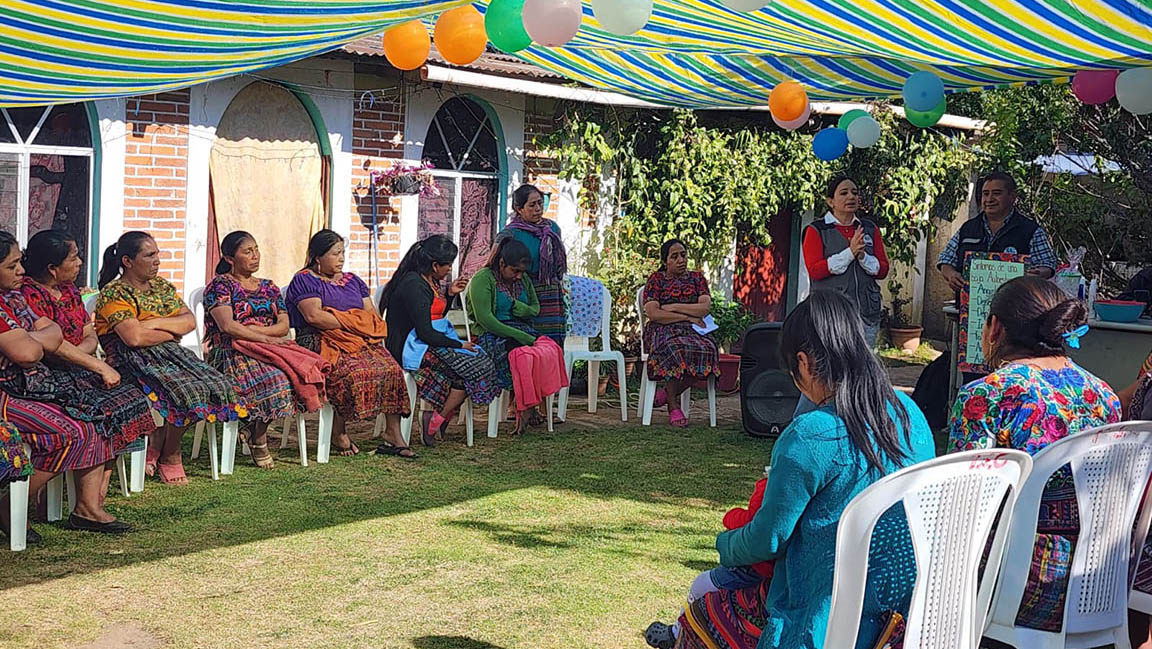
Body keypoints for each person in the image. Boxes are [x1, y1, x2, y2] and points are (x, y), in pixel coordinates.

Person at [670, 290, 935, 649]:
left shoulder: (810, 435)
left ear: (803, 363)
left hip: (822, 621)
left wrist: (725, 545)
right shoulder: (909, 413)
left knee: (702, 616)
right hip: (901, 617)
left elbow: (767, 539)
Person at [949, 275, 1121, 633]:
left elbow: (962, 506)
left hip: (1019, 586)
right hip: (1100, 579)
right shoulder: (1104, 395)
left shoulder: (988, 395)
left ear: (995, 328)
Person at [0, 231, 147, 540]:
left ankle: (88, 507)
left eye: (19, 263)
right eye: (12, 265)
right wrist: (39, 341)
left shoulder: (14, 298)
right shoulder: (25, 294)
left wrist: (34, 340)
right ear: (52, 268)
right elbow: (28, 353)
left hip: (33, 382)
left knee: (98, 416)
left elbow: (54, 336)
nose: (20, 271)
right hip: (12, 391)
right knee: (74, 429)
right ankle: (8, 506)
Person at [95, 231, 241, 486]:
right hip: (130, 360)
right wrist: (170, 331)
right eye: (149, 255)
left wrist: (152, 323)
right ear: (128, 261)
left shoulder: (161, 286)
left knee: (217, 385)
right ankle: (171, 454)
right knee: (186, 391)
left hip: (171, 355)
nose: (157, 260)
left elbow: (189, 322)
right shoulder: (114, 293)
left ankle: (161, 443)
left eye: (157, 254)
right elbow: (133, 339)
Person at [285, 229, 409, 457]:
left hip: (358, 340)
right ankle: (338, 431)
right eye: (335, 254)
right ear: (317, 257)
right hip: (319, 340)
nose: (341, 259)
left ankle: (393, 433)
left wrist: (347, 321)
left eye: (343, 253)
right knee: (351, 372)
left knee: (391, 369)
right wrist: (354, 320)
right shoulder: (304, 280)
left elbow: (371, 316)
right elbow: (314, 317)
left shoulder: (353, 281)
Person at [380, 235, 500, 451]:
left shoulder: (429, 281)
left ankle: (438, 416)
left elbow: (433, 318)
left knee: (479, 361)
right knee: (474, 367)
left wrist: (450, 294)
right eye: (448, 265)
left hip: (425, 340)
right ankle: (437, 418)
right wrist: (459, 345)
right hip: (410, 346)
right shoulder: (414, 286)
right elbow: (425, 331)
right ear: (435, 265)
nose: (449, 270)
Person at [645, 470, 775, 649]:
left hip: (753, 567)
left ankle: (676, 633)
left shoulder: (771, 486)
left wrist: (730, 517)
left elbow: (753, 523)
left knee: (702, 584)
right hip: (768, 570)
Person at [203, 231, 298, 469]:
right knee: (275, 380)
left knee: (294, 375)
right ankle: (259, 439)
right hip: (231, 352)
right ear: (229, 258)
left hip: (269, 348)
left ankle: (253, 429)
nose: (255, 256)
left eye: (256, 250)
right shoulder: (220, 286)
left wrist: (262, 336)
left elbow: (284, 325)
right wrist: (262, 336)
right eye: (248, 252)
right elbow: (228, 326)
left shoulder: (269, 287)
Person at [802, 175, 889, 347]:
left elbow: (883, 270)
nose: (851, 197)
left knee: (863, 359)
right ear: (830, 201)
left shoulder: (869, 228)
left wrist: (862, 257)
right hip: (831, 314)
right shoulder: (817, 230)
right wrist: (850, 253)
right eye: (843, 193)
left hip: (866, 313)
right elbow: (815, 270)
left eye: (854, 193)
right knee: (833, 359)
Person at [641, 239, 720, 428]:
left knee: (708, 350)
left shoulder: (697, 279)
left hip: (694, 329)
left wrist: (673, 307)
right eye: (674, 256)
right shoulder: (656, 280)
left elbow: (704, 308)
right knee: (676, 348)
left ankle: (667, 394)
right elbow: (654, 313)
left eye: (683, 255)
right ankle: (673, 405)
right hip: (662, 329)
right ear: (665, 261)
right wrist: (687, 317)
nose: (681, 260)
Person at [466, 237, 542, 434]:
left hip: (521, 330)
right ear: (501, 263)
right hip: (491, 335)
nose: (519, 276)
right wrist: (520, 336)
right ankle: (524, 407)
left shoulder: (523, 279)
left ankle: (527, 404)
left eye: (522, 272)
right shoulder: (483, 279)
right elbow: (485, 320)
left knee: (544, 352)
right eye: (515, 271)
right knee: (520, 353)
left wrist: (524, 310)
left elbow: (535, 308)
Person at [938, 171, 1059, 293]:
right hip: (970, 302)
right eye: (986, 194)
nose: (989, 199)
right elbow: (945, 260)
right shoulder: (967, 228)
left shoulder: (1030, 230)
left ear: (1012, 196)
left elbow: (1048, 264)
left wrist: (1038, 274)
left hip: (1015, 302)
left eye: (997, 193)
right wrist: (952, 275)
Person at [499, 184, 568, 347]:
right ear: (519, 209)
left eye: (540, 203)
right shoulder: (511, 233)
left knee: (554, 341)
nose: (538, 208)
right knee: (531, 341)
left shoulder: (552, 228)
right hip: (525, 290)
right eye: (532, 205)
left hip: (551, 291)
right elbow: (499, 264)